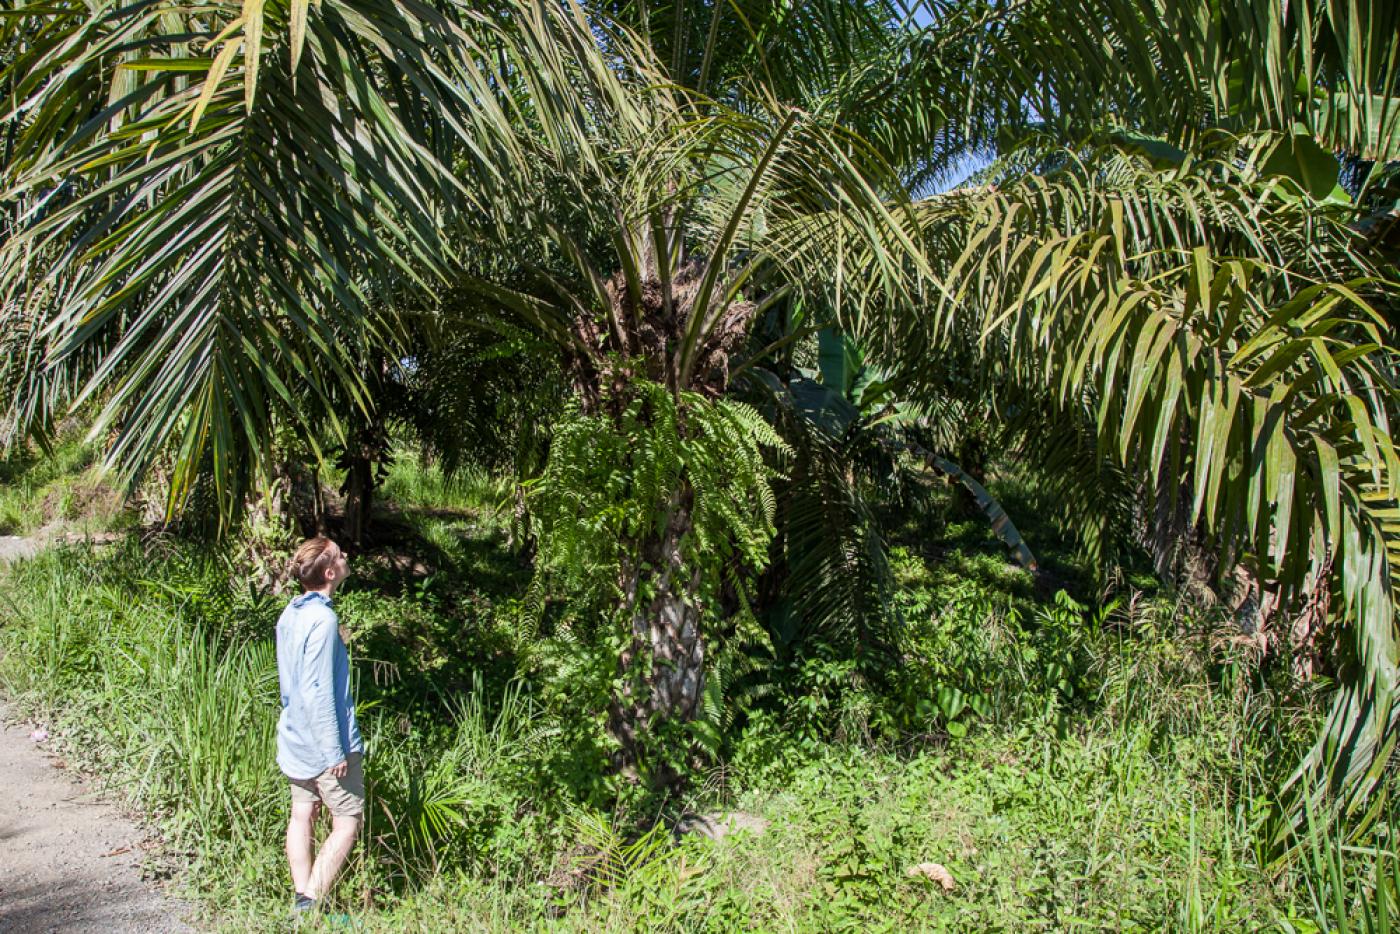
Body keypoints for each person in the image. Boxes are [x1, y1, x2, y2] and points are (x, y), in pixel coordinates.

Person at [276, 537, 364, 916]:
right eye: (341, 555)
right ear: (330, 573)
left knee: (302, 813)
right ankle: (310, 904)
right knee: (347, 821)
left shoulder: (290, 613)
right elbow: (320, 691)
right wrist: (334, 751)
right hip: (323, 741)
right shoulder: (325, 620)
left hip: (294, 736)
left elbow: (290, 685)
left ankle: (301, 897)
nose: (346, 559)